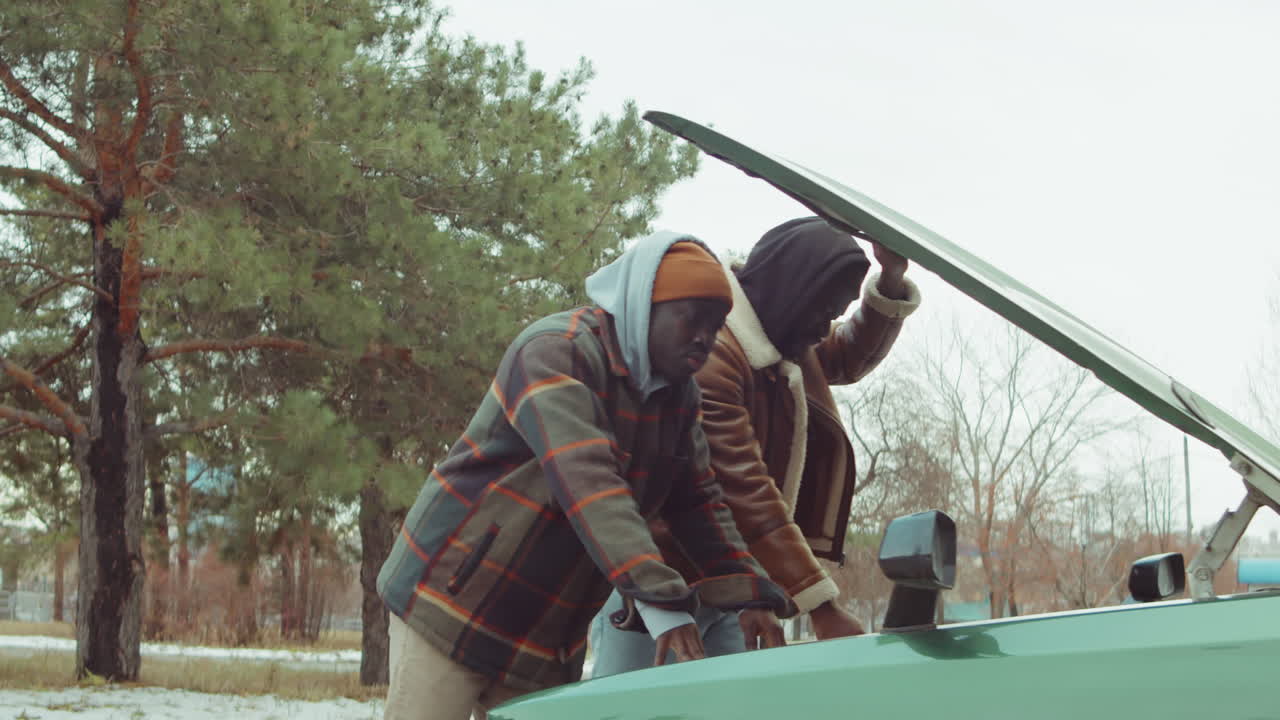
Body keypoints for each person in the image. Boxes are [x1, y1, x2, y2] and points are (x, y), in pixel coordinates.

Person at [376, 232, 797, 720]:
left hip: (548, 632)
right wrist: (659, 598)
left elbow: (699, 503)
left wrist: (749, 592)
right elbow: (591, 483)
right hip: (452, 602)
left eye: (716, 323)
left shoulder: (678, 397)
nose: (706, 336)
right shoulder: (556, 351)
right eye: (691, 317)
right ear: (643, 306)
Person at [589, 217, 921, 676]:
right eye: (824, 311)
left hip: (725, 584)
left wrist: (888, 282)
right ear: (796, 291)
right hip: (659, 589)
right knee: (628, 709)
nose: (826, 329)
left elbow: (843, 356)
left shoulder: (783, 333)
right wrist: (820, 607)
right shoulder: (713, 357)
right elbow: (744, 491)